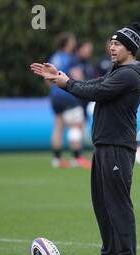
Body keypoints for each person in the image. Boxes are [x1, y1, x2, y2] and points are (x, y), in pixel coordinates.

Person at [31, 23, 140, 255]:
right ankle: (108, 253)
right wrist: (64, 78)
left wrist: (65, 82)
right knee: (102, 201)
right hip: (104, 144)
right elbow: (93, 86)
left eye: (117, 44)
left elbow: (97, 91)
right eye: (111, 43)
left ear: (130, 50)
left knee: (117, 201)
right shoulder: (116, 71)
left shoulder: (129, 74)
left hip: (118, 146)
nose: (111, 48)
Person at [47, 32, 92, 169]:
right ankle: (76, 157)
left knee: (58, 127)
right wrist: (86, 88)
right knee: (76, 125)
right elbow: (77, 77)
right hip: (68, 96)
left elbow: (48, 80)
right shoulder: (70, 58)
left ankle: (57, 159)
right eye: (72, 41)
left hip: (55, 97)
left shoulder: (54, 57)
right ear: (67, 43)